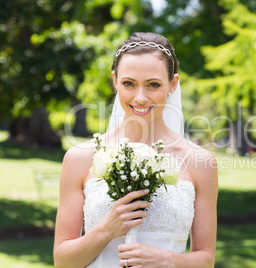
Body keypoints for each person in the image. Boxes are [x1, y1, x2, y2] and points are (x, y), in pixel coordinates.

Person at [53, 32, 218, 268]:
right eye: (129, 83)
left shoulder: (201, 162)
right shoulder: (80, 158)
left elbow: (206, 259)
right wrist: (106, 230)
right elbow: (62, 261)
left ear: (173, 84)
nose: (140, 98)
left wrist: (168, 260)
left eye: (153, 85)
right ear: (115, 80)